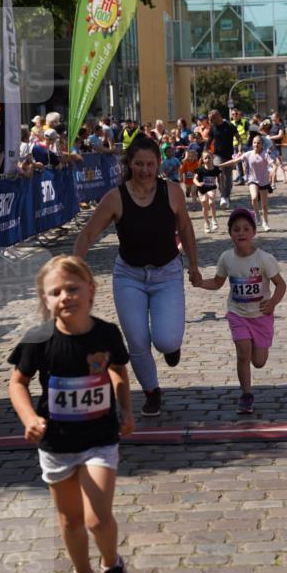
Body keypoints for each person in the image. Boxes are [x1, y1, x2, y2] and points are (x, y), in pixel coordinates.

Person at [8, 255, 138, 573]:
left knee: (97, 518)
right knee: (69, 521)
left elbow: (117, 372)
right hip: (57, 443)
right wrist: (29, 416)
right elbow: (18, 383)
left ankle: (113, 568)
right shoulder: (38, 340)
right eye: (55, 292)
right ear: (45, 300)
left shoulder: (106, 334)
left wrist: (125, 409)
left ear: (91, 291)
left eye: (73, 288)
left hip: (99, 437)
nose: (65, 296)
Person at [73, 136, 201, 417]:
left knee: (166, 340)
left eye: (150, 164)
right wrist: (73, 270)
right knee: (138, 341)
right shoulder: (115, 197)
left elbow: (187, 228)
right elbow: (88, 234)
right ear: (129, 164)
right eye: (139, 164)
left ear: (158, 165)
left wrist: (193, 265)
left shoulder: (173, 192)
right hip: (129, 276)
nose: (145, 169)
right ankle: (152, 391)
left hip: (167, 273)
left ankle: (171, 347)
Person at [196, 207, 286, 414]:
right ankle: (246, 395)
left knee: (259, 362)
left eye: (246, 229)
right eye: (236, 229)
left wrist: (272, 302)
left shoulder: (264, 259)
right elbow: (217, 283)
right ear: (230, 234)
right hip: (237, 314)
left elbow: (281, 285)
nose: (241, 233)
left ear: (253, 233)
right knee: (243, 353)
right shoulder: (226, 258)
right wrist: (201, 283)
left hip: (261, 316)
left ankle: (259, 349)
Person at [214, 135, 273, 230]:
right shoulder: (248, 154)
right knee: (254, 197)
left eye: (258, 143)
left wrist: (274, 169)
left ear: (262, 145)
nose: (256, 144)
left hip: (264, 181)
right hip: (252, 180)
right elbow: (234, 161)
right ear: (252, 144)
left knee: (264, 205)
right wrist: (221, 165)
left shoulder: (265, 155)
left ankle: (265, 222)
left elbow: (272, 164)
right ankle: (257, 215)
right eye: (254, 142)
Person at [208, 109, 240, 208]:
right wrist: (205, 151)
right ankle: (223, 196)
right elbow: (209, 141)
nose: (210, 121)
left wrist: (239, 150)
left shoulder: (230, 126)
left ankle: (226, 195)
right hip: (217, 155)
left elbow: (238, 138)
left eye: (211, 119)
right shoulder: (213, 127)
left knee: (228, 177)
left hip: (229, 155)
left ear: (217, 116)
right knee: (221, 174)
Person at [194, 149, 220, 233]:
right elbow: (194, 179)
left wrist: (221, 187)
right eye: (206, 158)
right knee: (205, 207)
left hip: (212, 188)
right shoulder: (200, 170)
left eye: (209, 157)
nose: (208, 160)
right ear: (202, 159)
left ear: (212, 158)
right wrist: (198, 184)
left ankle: (214, 220)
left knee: (212, 201)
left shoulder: (215, 169)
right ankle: (206, 223)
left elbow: (220, 178)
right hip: (202, 190)